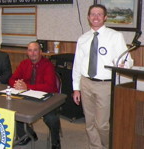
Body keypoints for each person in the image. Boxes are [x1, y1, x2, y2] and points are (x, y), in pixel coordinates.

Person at [72, 4, 133, 149]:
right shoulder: (83, 39)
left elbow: (128, 60)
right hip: (86, 83)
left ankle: (107, 145)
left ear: (105, 17)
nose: (96, 17)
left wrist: (125, 64)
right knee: (89, 122)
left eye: (99, 14)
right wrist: (76, 88)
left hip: (105, 85)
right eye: (93, 14)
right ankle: (95, 147)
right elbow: (77, 65)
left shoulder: (115, 36)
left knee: (102, 124)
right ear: (88, 17)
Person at [9, 41, 61, 149]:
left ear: (40, 52)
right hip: (27, 97)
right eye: (30, 50)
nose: (32, 53)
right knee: (11, 110)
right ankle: (27, 135)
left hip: (46, 99)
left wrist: (27, 87)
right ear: (27, 52)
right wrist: (17, 84)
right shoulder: (24, 64)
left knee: (51, 118)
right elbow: (12, 79)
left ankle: (56, 142)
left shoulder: (48, 65)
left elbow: (50, 87)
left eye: (35, 50)